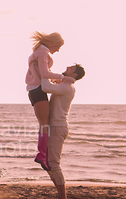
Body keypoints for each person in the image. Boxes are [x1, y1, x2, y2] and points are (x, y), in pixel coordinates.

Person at [25, 31, 75, 171]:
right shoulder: (42, 52)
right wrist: (64, 78)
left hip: (36, 89)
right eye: (58, 46)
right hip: (37, 89)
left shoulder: (41, 52)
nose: (58, 50)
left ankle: (43, 154)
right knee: (44, 123)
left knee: (44, 123)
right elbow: (45, 73)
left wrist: (56, 79)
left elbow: (44, 74)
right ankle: (42, 155)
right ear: (53, 43)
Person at [41, 64, 85, 199]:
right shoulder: (65, 85)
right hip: (55, 127)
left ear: (75, 75)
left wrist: (43, 73)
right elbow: (53, 83)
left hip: (58, 127)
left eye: (70, 68)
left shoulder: (67, 87)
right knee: (47, 163)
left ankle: (62, 198)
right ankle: (60, 195)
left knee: (54, 163)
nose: (67, 67)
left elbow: (45, 88)